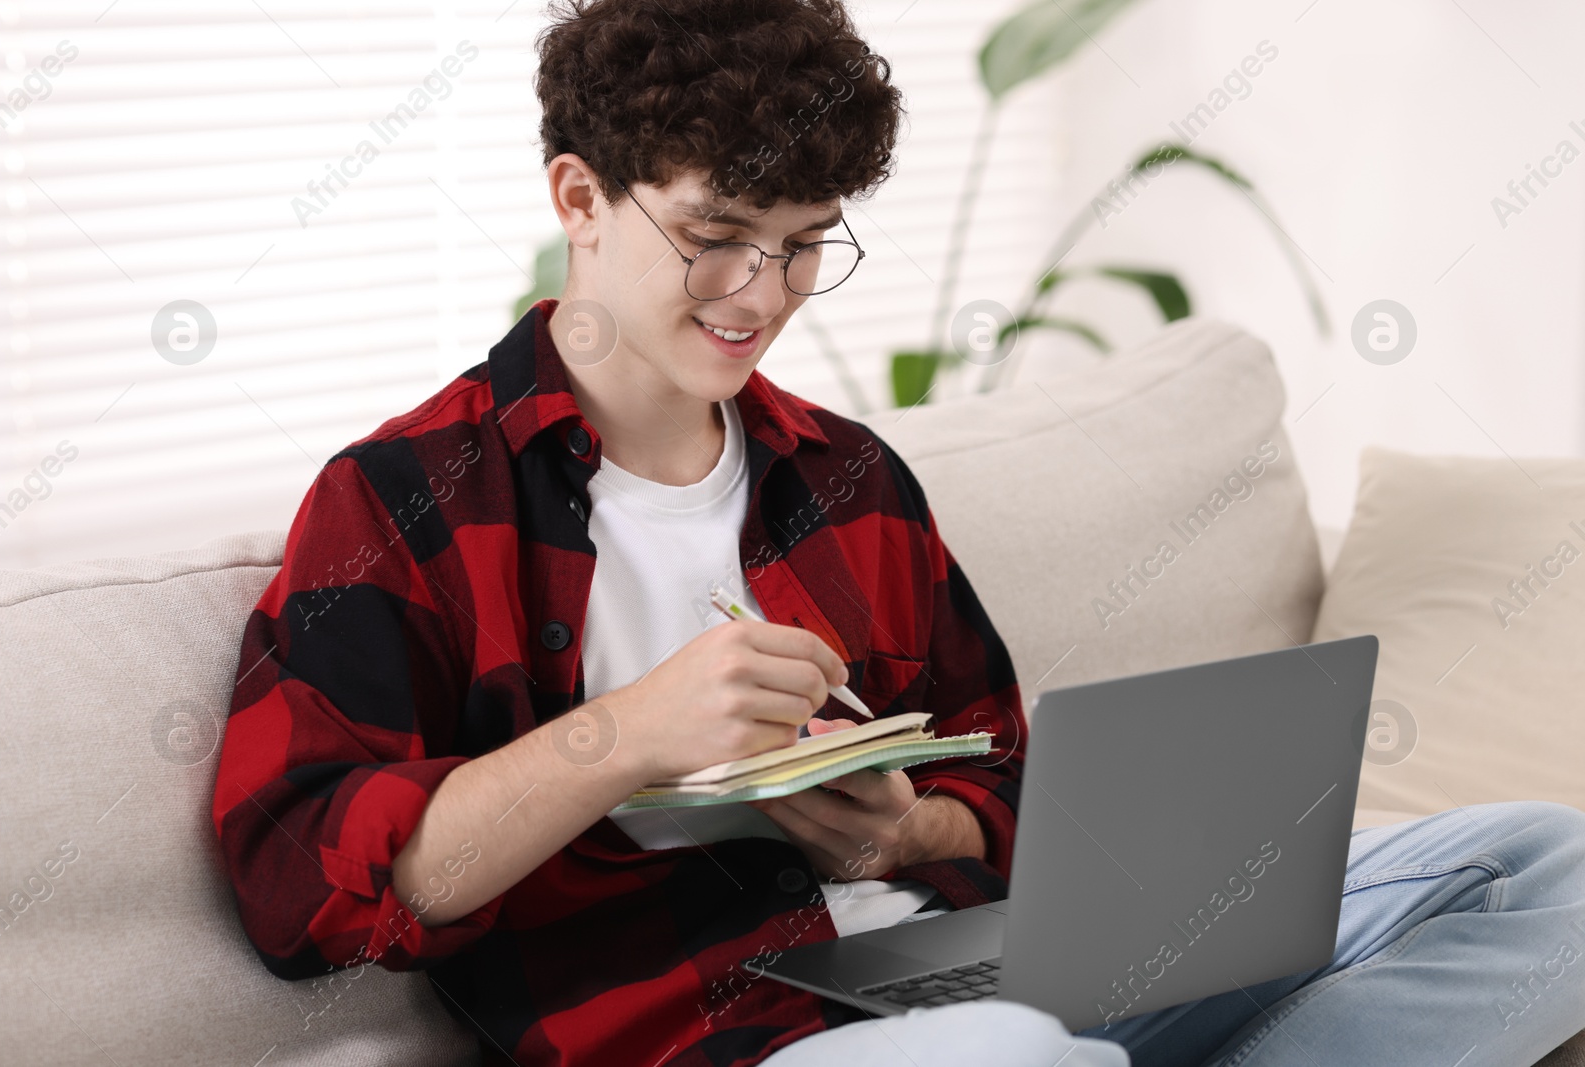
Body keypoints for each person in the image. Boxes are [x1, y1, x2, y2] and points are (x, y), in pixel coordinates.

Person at [213, 2, 1585, 1065]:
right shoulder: (404, 499)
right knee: (1015, 1051)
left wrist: (889, 830)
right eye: (718, 234)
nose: (764, 294)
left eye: (810, 242)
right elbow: (303, 888)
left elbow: (1003, 786)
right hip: (720, 1033)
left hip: (963, 966)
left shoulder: (849, 480)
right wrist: (624, 735)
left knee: (1550, 864)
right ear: (580, 198)